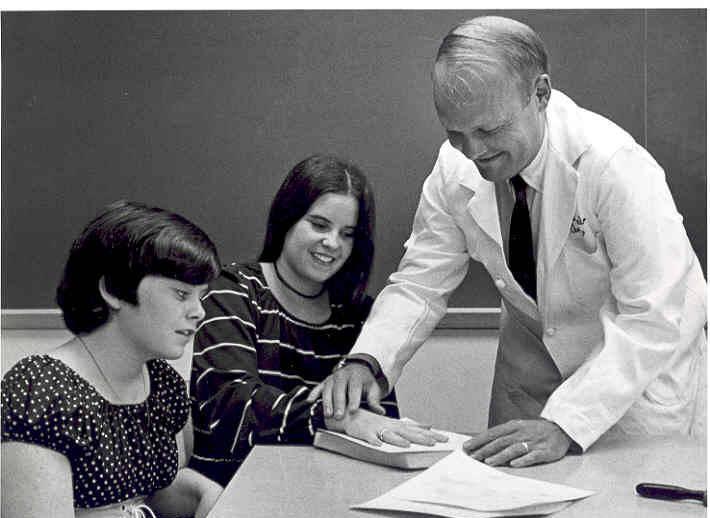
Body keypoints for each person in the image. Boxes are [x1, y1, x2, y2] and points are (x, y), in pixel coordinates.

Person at [310, 16, 707, 468]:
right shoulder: (453, 169)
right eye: (455, 132)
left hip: (635, 389)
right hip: (531, 382)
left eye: (489, 131)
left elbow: (653, 316)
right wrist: (369, 361)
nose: (474, 152)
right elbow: (421, 283)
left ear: (540, 94)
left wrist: (567, 422)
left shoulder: (614, 167)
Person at [189, 154, 446, 486]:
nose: (332, 243)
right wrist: (332, 418)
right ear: (287, 219)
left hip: (329, 494)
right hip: (235, 492)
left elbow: (376, 423)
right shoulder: (234, 291)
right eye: (320, 225)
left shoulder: (357, 315)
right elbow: (229, 408)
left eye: (348, 233)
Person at [2, 201, 224, 518]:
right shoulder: (38, 392)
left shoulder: (163, 383)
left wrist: (208, 496)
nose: (198, 312)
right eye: (180, 294)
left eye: (199, 295)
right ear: (113, 290)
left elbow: (154, 490)